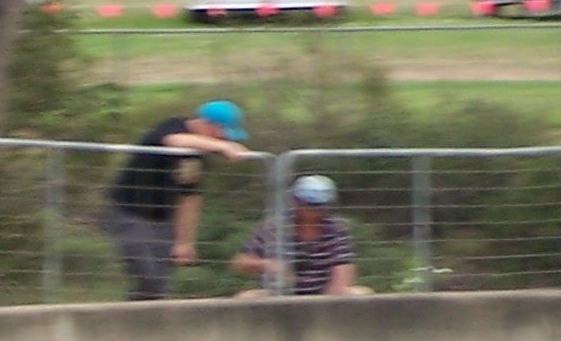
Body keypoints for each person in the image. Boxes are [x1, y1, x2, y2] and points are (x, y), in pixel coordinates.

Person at [103, 99, 258, 301]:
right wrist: (222, 146)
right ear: (208, 125)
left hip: (162, 221)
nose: (222, 138)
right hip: (130, 213)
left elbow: (189, 198)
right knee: (148, 275)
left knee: (159, 282)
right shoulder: (174, 126)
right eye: (222, 132)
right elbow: (174, 141)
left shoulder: (196, 158)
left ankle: (140, 321)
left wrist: (184, 242)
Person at [234, 174, 370, 297]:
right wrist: (269, 265)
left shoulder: (336, 229)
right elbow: (242, 262)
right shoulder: (274, 227)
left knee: (361, 294)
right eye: (309, 205)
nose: (314, 211)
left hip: (324, 294)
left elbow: (343, 269)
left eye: (320, 206)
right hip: (279, 295)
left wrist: (327, 302)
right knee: (245, 298)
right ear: (296, 201)